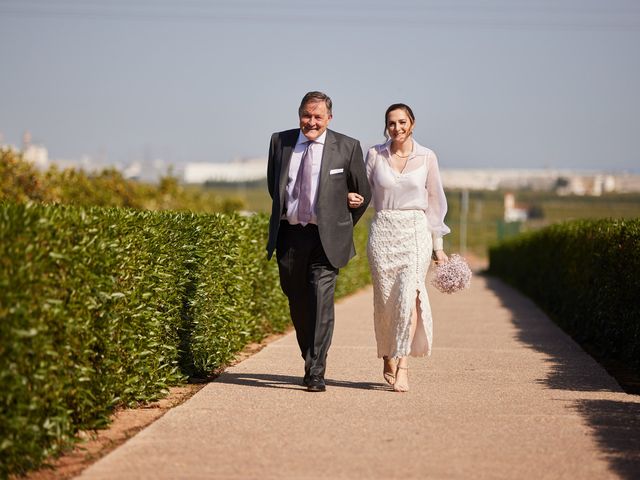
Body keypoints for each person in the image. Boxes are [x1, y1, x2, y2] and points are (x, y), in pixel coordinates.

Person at [266, 91, 371, 392]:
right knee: (296, 299)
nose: (311, 122)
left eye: (318, 116)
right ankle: (309, 355)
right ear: (299, 114)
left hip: (326, 239)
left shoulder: (347, 147)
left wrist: (340, 224)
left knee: (322, 303)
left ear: (329, 118)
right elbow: (275, 187)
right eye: (306, 115)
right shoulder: (280, 142)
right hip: (290, 235)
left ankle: (316, 371)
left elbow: (362, 194)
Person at [348, 103, 449, 392]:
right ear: (386, 126)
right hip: (383, 232)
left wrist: (437, 246)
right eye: (392, 123)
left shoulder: (428, 157)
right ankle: (387, 352)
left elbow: (435, 204)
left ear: (412, 123)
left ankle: (404, 366)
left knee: (410, 296)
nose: (397, 128)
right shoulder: (375, 155)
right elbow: (363, 191)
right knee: (386, 303)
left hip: (416, 232)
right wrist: (352, 198)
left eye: (402, 122)